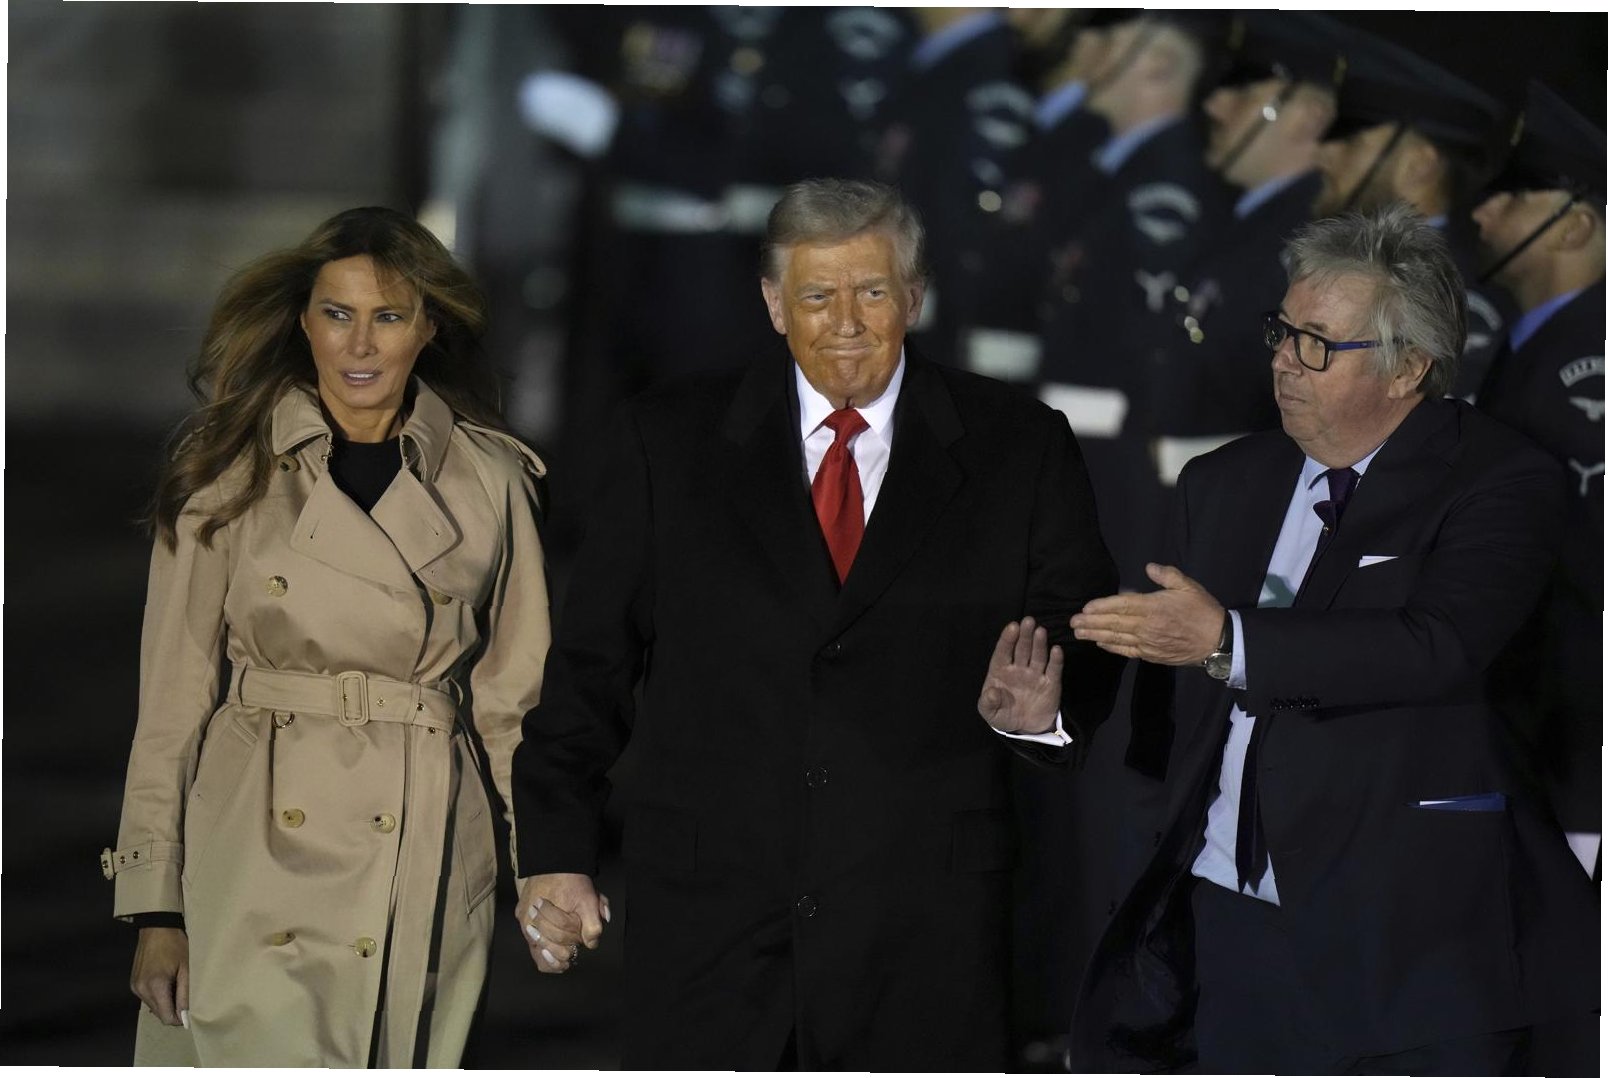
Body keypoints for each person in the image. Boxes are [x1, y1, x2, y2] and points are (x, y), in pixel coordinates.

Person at [509, 178, 1122, 1069]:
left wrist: (1044, 712)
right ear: (773, 304)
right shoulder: (667, 443)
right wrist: (557, 851)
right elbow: (588, 669)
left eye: (872, 292)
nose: (846, 322)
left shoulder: (1019, 445)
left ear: (914, 297)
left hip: (924, 933)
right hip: (711, 929)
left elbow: (1078, 630)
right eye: (817, 296)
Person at [1028, 205, 1598, 1074]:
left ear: (1409, 366)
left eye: (1318, 344)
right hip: (1224, 932)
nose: (1284, 361)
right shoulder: (1222, 483)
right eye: (1283, 332)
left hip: (1406, 946)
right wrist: (1045, 716)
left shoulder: (1500, 481)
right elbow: (1165, 727)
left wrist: (1230, 639)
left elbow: (1434, 645)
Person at [102, 207, 551, 1067]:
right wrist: (157, 905)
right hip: (254, 839)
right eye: (338, 314)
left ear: (429, 329)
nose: (361, 344)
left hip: (419, 842)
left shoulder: (492, 479)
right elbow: (172, 701)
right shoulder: (227, 467)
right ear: (303, 322)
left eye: (389, 316)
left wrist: (545, 869)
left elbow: (514, 705)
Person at [1473, 80, 1605, 876]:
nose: (1483, 212)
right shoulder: (1533, 347)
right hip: (1528, 731)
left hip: (1572, 752)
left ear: (1576, 224)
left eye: (1516, 195)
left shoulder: (1587, 363)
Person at [1313, 24, 1514, 399]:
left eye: (1352, 140)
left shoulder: (1452, 299)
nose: (1323, 153)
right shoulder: (1337, 259)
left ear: (1419, 166)